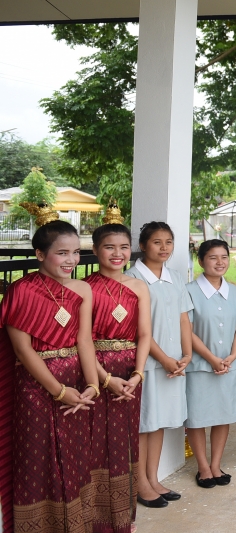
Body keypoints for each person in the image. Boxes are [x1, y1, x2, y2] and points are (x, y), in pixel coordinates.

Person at [0, 221, 100, 533]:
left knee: (75, 455)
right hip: (36, 385)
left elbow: (84, 341)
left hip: (77, 382)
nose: (71, 260)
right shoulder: (22, 290)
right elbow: (22, 349)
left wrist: (93, 384)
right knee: (37, 456)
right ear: (40, 254)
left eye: (76, 253)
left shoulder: (83, 289)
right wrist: (58, 391)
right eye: (62, 253)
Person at [84, 224, 152, 529]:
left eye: (123, 247)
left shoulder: (139, 286)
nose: (117, 254)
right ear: (96, 250)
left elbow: (145, 334)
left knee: (124, 443)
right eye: (109, 247)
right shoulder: (84, 287)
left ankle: (124, 516)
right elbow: (80, 339)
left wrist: (137, 375)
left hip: (129, 372)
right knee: (94, 443)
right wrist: (104, 379)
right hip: (92, 370)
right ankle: (94, 518)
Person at [126, 221, 193, 506]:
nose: (164, 247)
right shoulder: (131, 279)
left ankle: (153, 479)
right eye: (157, 242)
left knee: (161, 423)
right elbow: (138, 329)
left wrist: (186, 354)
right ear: (142, 246)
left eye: (168, 242)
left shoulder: (175, 277)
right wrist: (164, 359)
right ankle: (140, 483)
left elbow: (183, 317)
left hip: (175, 362)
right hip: (149, 362)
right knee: (145, 423)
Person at [184, 239, 236, 488]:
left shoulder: (233, 291)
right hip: (200, 366)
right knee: (197, 418)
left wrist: (232, 354)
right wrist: (212, 358)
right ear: (201, 261)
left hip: (229, 365)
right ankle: (202, 467)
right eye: (213, 257)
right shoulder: (189, 291)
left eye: (224, 257)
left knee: (224, 415)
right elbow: (187, 331)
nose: (220, 262)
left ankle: (216, 465)